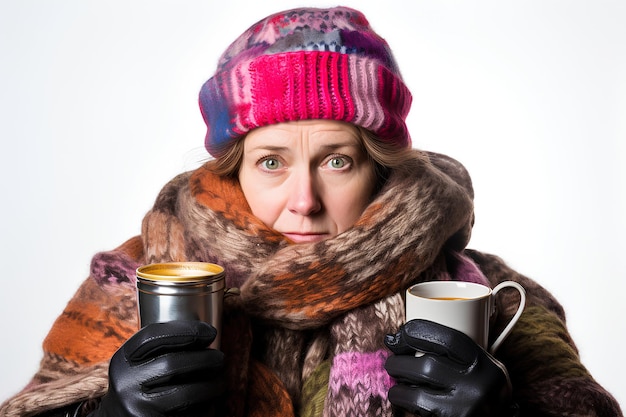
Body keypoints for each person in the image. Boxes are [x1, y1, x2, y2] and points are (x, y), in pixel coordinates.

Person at [0, 6, 621, 417]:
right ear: (232, 168)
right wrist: (101, 414)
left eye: (336, 161)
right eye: (271, 162)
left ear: (380, 166)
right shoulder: (135, 285)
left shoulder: (485, 299)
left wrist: (505, 416)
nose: (303, 201)